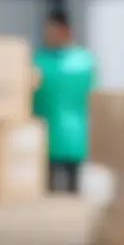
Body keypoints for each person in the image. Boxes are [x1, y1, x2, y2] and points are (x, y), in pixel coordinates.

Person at [33, 10, 95, 193]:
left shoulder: (82, 63)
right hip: (49, 137)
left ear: (65, 31)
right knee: (49, 191)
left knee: (72, 191)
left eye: (52, 31)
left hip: (73, 137)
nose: (49, 36)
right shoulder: (41, 61)